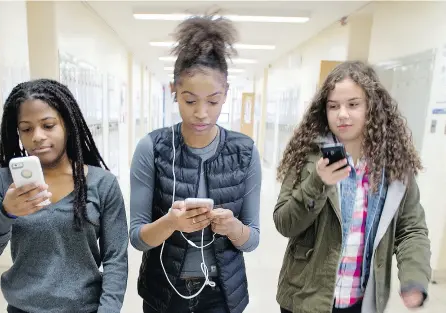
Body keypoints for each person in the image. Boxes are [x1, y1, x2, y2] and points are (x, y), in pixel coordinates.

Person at [273, 61, 431, 313]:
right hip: (306, 299)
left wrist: (414, 277)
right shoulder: (308, 156)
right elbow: (285, 223)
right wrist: (318, 183)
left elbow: (411, 228)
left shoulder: (394, 165)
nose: (342, 114)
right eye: (333, 106)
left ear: (372, 107)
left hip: (363, 300)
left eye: (353, 104)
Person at [129, 14, 262, 313]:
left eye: (212, 101)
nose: (201, 113)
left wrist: (231, 227)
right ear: (174, 90)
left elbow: (251, 240)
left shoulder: (245, 151)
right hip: (164, 293)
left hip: (223, 295)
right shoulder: (152, 148)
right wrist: (170, 223)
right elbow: (138, 238)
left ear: (226, 92)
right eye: (190, 101)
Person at [0, 79, 129, 313]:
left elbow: (116, 260)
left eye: (48, 125)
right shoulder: (4, 183)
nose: (37, 136)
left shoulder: (102, 184)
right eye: (26, 128)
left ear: (66, 124)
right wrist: (6, 213)